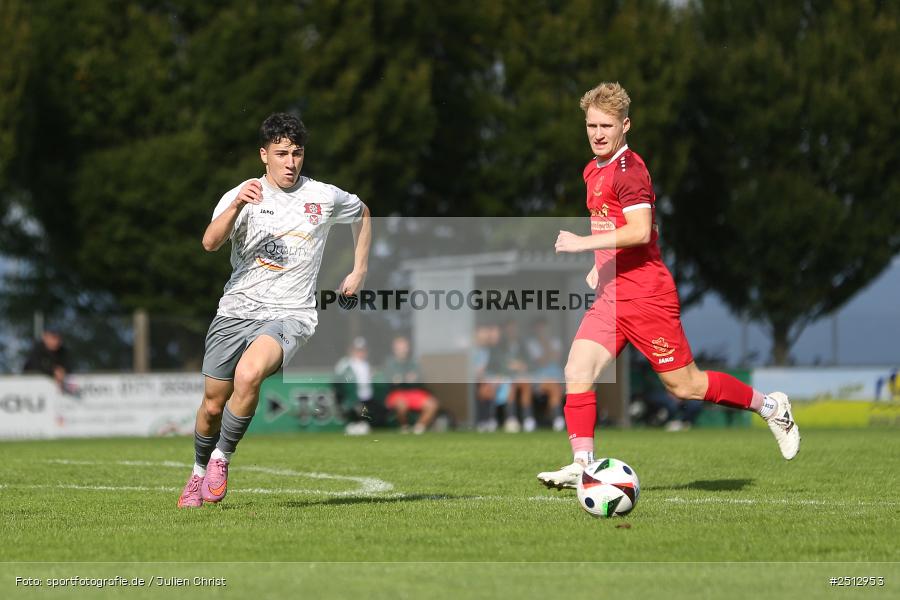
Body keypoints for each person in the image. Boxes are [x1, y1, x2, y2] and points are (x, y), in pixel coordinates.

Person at [537, 82, 799, 489]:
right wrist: (597, 265)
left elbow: (641, 230)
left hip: (646, 296)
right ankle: (583, 464)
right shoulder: (592, 169)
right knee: (577, 370)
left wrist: (582, 244)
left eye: (607, 126)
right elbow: (614, 224)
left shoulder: (631, 172)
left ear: (625, 125)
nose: (598, 134)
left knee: (685, 385)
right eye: (591, 125)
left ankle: (771, 407)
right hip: (611, 296)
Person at [177, 112, 371, 508]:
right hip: (235, 311)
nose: (290, 162)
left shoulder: (323, 196)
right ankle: (197, 472)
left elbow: (363, 212)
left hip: (291, 314)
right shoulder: (243, 194)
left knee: (249, 375)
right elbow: (209, 243)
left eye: (297, 153)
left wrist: (360, 269)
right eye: (281, 154)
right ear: (264, 155)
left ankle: (221, 458)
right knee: (212, 405)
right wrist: (236, 205)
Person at [381, 335, 439, 434]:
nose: (402, 350)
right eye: (399, 348)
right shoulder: (389, 363)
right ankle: (405, 427)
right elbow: (390, 381)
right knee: (401, 404)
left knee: (432, 404)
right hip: (396, 394)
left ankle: (419, 428)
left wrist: (407, 379)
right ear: (394, 349)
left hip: (414, 392)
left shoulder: (414, 362)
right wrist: (403, 379)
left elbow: (419, 378)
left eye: (404, 347)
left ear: (408, 348)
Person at [525, 317, 566, 431]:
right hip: (539, 376)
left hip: (556, 375)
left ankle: (555, 418)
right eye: (539, 329)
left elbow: (556, 358)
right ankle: (556, 418)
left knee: (557, 387)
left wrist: (546, 346)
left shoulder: (556, 341)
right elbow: (541, 362)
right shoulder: (532, 344)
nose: (542, 331)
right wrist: (547, 349)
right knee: (553, 387)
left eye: (544, 328)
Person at [335, 336, 380, 435]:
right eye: (358, 350)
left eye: (362, 350)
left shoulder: (367, 365)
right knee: (355, 409)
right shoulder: (345, 364)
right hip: (351, 400)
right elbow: (338, 383)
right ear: (352, 350)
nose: (360, 353)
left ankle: (362, 424)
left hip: (367, 400)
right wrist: (349, 401)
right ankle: (354, 423)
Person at [23, 328, 73, 393]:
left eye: (58, 338)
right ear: (45, 338)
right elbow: (34, 367)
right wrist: (53, 372)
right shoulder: (37, 350)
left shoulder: (63, 351)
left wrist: (62, 371)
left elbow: (68, 366)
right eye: (53, 338)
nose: (56, 341)